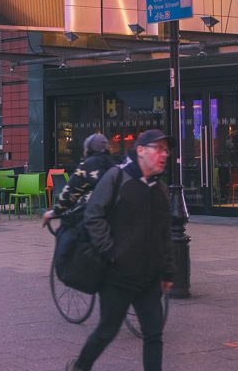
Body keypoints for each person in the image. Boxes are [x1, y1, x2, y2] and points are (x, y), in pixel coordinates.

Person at [66, 129, 176, 371]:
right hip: (118, 278)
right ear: (140, 151)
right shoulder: (117, 177)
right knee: (106, 331)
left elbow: (164, 233)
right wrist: (112, 253)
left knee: (154, 335)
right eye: (157, 149)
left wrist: (167, 272)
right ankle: (80, 367)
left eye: (166, 150)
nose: (164, 154)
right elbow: (93, 217)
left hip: (149, 279)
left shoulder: (160, 189)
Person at [42, 133, 115, 224]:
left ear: (88, 149)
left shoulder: (87, 166)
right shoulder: (116, 164)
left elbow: (69, 193)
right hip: (115, 219)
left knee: (67, 235)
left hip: (92, 219)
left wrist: (54, 212)